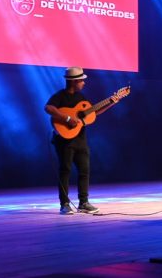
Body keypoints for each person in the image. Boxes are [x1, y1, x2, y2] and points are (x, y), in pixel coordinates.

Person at [45, 67, 117, 215]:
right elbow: (48, 108)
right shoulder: (60, 96)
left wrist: (111, 102)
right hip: (64, 141)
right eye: (82, 80)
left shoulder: (81, 98)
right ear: (74, 81)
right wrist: (67, 118)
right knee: (65, 171)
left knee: (84, 171)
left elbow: (93, 112)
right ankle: (64, 204)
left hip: (80, 140)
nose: (84, 83)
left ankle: (83, 202)